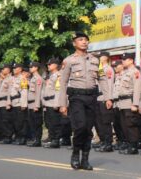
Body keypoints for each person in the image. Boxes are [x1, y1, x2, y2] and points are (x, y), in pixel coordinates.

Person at [58, 32, 113, 170]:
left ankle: (85, 159)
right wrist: (63, 104)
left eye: (86, 40)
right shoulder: (68, 60)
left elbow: (102, 79)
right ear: (74, 43)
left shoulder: (95, 60)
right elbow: (63, 83)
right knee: (80, 127)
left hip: (92, 97)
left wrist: (108, 97)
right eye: (80, 40)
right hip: (76, 97)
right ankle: (76, 153)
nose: (84, 42)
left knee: (88, 129)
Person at [117, 53, 141, 155]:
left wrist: (135, 104)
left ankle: (133, 146)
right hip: (122, 102)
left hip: (129, 102)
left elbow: (137, 89)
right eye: (122, 59)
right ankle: (129, 144)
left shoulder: (135, 72)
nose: (123, 61)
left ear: (131, 60)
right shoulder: (125, 73)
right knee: (124, 125)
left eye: (125, 59)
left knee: (131, 125)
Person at [94, 51, 115, 153]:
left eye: (100, 57)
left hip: (104, 98)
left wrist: (109, 98)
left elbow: (109, 84)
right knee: (98, 122)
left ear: (105, 58)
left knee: (105, 122)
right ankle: (103, 141)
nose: (99, 58)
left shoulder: (108, 69)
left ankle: (108, 143)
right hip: (98, 98)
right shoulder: (100, 69)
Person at [42, 58, 62, 149]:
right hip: (48, 102)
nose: (48, 66)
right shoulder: (51, 76)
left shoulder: (58, 75)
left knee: (55, 122)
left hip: (54, 102)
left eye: (50, 64)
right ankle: (52, 138)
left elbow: (58, 90)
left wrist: (57, 103)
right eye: (48, 65)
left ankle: (56, 140)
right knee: (50, 122)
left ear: (55, 65)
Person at [26, 62, 44, 147]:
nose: (30, 68)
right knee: (32, 123)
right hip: (30, 104)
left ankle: (37, 140)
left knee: (37, 123)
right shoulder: (32, 78)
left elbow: (38, 93)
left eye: (31, 67)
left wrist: (37, 105)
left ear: (36, 68)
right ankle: (34, 139)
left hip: (35, 104)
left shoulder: (38, 78)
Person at [0, 64, 14, 144]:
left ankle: (8, 137)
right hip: (1, 102)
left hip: (5, 102)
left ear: (8, 69)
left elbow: (10, 91)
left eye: (3, 69)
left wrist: (8, 103)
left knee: (6, 120)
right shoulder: (5, 79)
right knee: (2, 120)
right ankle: (5, 136)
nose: (2, 70)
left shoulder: (10, 79)